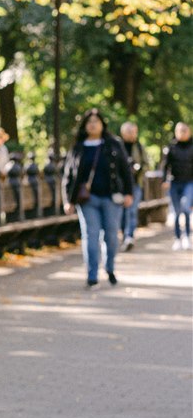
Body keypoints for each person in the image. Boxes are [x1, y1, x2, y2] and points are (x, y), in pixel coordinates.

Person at [61, 107, 135, 287]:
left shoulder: (113, 144)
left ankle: (109, 268)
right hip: (87, 200)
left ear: (102, 125)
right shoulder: (78, 147)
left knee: (110, 235)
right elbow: (68, 175)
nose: (93, 125)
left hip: (111, 198)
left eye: (96, 122)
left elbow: (125, 170)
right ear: (85, 126)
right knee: (90, 235)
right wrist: (67, 200)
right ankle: (92, 274)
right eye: (89, 122)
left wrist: (129, 193)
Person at [162, 122, 193, 249]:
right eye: (179, 130)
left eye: (184, 130)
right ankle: (177, 238)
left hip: (189, 182)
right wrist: (164, 180)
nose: (182, 133)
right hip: (175, 182)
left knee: (185, 208)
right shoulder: (171, 147)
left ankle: (187, 236)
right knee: (176, 211)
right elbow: (165, 165)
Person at [118, 121, 147, 250]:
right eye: (129, 131)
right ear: (123, 132)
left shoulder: (139, 147)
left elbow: (146, 164)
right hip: (119, 186)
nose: (132, 134)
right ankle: (124, 235)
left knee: (131, 211)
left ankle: (129, 237)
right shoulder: (117, 146)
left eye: (134, 131)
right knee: (121, 213)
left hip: (135, 184)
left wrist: (139, 169)